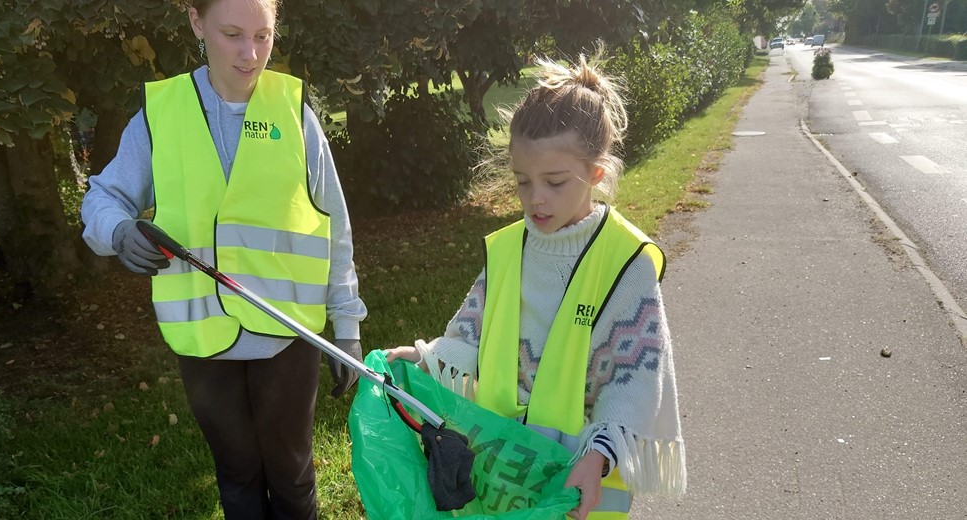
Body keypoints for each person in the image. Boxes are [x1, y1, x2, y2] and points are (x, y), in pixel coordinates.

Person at [79, 0, 367, 517]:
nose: (250, 53)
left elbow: (334, 227)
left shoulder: (294, 112)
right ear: (196, 22)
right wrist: (118, 231)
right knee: (236, 475)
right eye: (233, 34)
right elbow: (103, 197)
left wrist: (346, 324)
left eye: (263, 35)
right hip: (204, 340)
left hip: (287, 336)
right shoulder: (161, 115)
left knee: (293, 477)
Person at [385, 54, 686, 519]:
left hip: (577, 476)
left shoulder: (626, 263)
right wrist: (427, 359)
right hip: (503, 471)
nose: (535, 198)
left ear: (596, 175)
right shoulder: (508, 250)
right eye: (523, 182)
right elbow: (472, 330)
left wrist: (600, 452)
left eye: (555, 182)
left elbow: (636, 378)